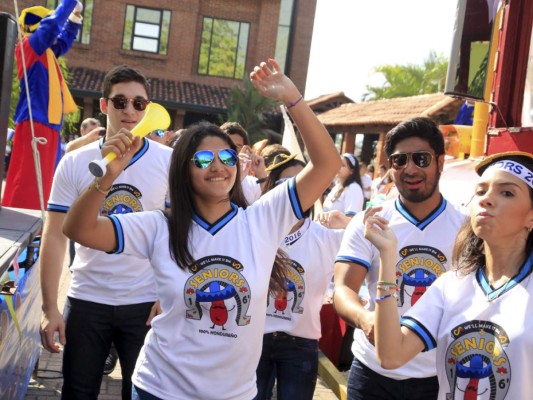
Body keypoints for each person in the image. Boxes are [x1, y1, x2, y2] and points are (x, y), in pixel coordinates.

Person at [62, 58, 340, 400]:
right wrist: (106, 178)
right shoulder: (159, 226)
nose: (218, 167)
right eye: (204, 160)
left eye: (226, 157)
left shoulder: (263, 219)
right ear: (183, 170)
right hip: (159, 389)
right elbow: (79, 229)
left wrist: (293, 99)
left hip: (234, 394)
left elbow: (328, 164)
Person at [40, 64, 172, 400]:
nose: (129, 110)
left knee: (143, 394)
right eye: (120, 101)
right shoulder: (73, 162)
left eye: (139, 104)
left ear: (149, 108)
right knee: (78, 392)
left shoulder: (168, 162)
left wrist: (166, 294)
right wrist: (48, 307)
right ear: (104, 105)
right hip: (87, 298)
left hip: (145, 303)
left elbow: (179, 234)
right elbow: (54, 236)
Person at [368, 151, 533, 400]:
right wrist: (388, 257)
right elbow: (391, 355)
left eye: (507, 192)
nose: (486, 199)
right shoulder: (450, 284)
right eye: (480, 191)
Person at [333, 117, 467, 400]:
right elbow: (343, 289)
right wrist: (365, 319)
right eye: (399, 160)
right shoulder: (369, 222)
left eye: (421, 158)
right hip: (372, 372)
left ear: (440, 163)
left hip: (437, 375)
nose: (410, 169)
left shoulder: (466, 228)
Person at [255, 153, 346, 400]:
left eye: (302, 181)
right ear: (270, 188)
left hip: (300, 345)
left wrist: (346, 222)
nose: (295, 190)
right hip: (254, 340)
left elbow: (373, 238)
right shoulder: (253, 230)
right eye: (284, 183)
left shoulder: (326, 237)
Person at [2, 0, 82, 210]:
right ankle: (20, 222)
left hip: (49, 124)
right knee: (28, 181)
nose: (54, 36)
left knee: (46, 182)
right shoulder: (29, 47)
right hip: (34, 122)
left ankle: (38, 225)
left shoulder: (45, 52)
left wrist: (74, 18)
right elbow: (53, 26)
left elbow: (63, 41)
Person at [221, 121, 268, 204]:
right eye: (228, 147)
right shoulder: (213, 179)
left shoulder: (253, 184)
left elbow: (270, 208)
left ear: (246, 151)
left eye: (238, 147)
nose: (233, 151)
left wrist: (262, 176)